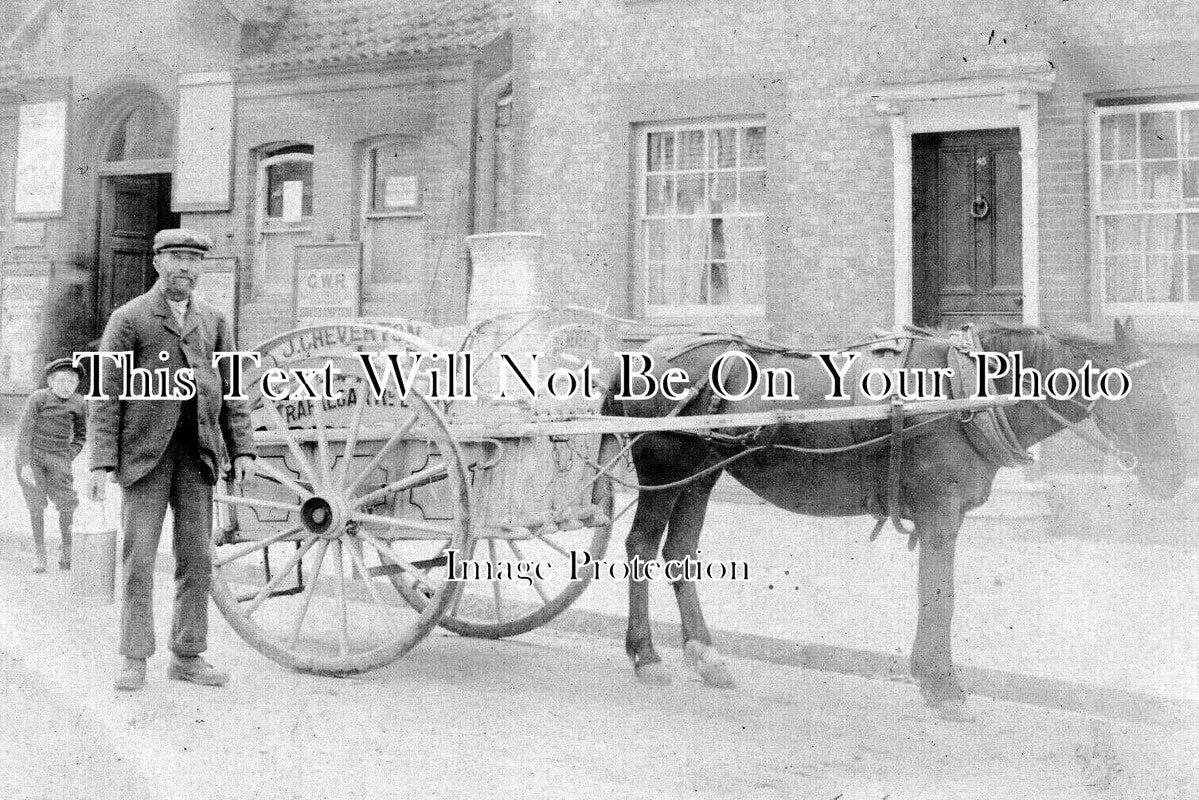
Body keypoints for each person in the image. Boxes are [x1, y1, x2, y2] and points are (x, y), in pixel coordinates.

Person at [88, 228, 255, 692]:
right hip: (145, 459)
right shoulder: (129, 318)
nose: (185, 267)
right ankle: (134, 657)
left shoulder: (216, 320)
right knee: (139, 560)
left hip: (197, 456)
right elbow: (106, 394)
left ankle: (188, 654)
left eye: (193, 259)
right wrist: (102, 462)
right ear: (157, 262)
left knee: (197, 559)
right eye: (176, 257)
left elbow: (233, 388)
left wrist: (241, 449)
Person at [15, 357, 87, 573]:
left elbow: (82, 436)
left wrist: (67, 456)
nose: (67, 386)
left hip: (59, 458)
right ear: (51, 381)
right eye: (62, 380)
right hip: (32, 458)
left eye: (72, 382)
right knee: (36, 505)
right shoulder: (39, 398)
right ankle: (40, 552)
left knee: (67, 503)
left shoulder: (78, 402)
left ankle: (67, 550)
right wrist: (26, 464)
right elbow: (24, 432)